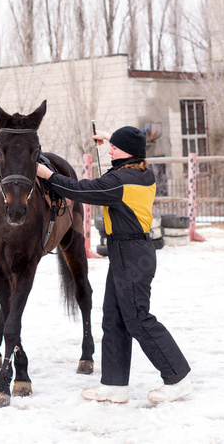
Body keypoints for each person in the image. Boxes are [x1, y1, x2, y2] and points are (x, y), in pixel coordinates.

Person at [37, 125, 193, 404]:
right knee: (114, 317)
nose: (109, 151)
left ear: (128, 154)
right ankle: (114, 384)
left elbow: (79, 189)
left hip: (131, 253)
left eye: (114, 148)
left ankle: (178, 378)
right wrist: (113, 138)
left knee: (137, 319)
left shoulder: (120, 182)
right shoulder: (143, 172)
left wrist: (49, 176)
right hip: (125, 252)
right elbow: (130, 152)